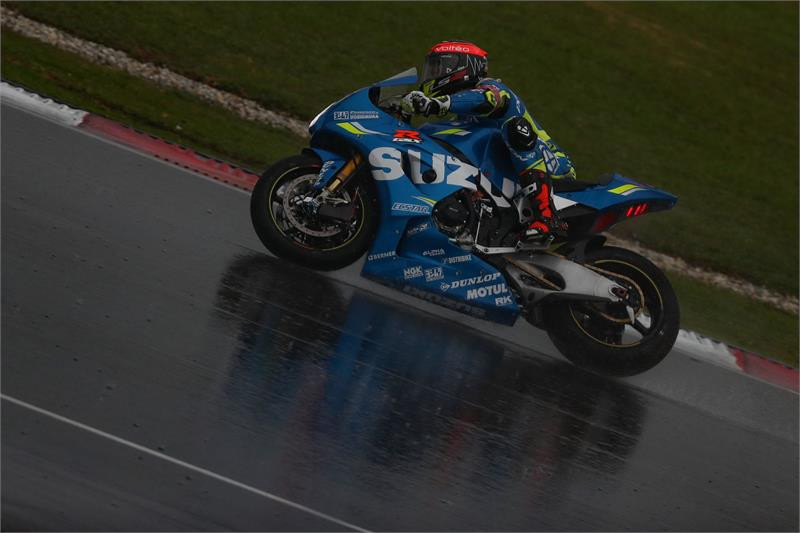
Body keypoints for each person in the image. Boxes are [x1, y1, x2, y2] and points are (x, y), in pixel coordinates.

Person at [402, 40, 576, 241]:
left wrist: (439, 104)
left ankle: (547, 217)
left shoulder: (493, 89)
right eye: (432, 68)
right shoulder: (459, 119)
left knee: (516, 129)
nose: (433, 74)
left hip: (555, 165)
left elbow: (486, 99)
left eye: (440, 66)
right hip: (510, 176)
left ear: (462, 67)